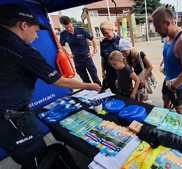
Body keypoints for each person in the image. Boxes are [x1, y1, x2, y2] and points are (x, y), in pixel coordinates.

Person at [0, 4, 101, 169]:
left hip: (8, 116)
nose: (37, 37)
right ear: (23, 25)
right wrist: (88, 85)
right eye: (36, 31)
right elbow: (57, 80)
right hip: (11, 118)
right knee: (35, 157)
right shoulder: (22, 50)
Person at [151, 6, 182, 115]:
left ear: (167, 23)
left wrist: (174, 86)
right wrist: (163, 63)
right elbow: (168, 52)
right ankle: (166, 116)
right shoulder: (167, 37)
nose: (156, 30)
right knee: (165, 99)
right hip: (168, 80)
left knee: (179, 109)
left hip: (178, 84)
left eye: (157, 26)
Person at [59, 16, 102, 86]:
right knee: (84, 78)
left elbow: (92, 39)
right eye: (66, 28)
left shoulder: (81, 30)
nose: (69, 29)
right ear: (63, 26)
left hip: (87, 57)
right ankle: (90, 92)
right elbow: (61, 45)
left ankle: (100, 90)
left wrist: (94, 50)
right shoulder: (63, 34)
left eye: (70, 26)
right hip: (77, 59)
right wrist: (68, 54)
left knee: (94, 76)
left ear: (71, 23)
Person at [100, 21, 120, 93]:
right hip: (109, 72)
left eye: (106, 33)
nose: (105, 35)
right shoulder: (103, 42)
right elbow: (103, 58)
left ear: (111, 30)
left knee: (121, 90)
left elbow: (126, 58)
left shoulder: (120, 40)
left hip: (119, 71)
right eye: (103, 34)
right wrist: (102, 71)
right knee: (112, 91)